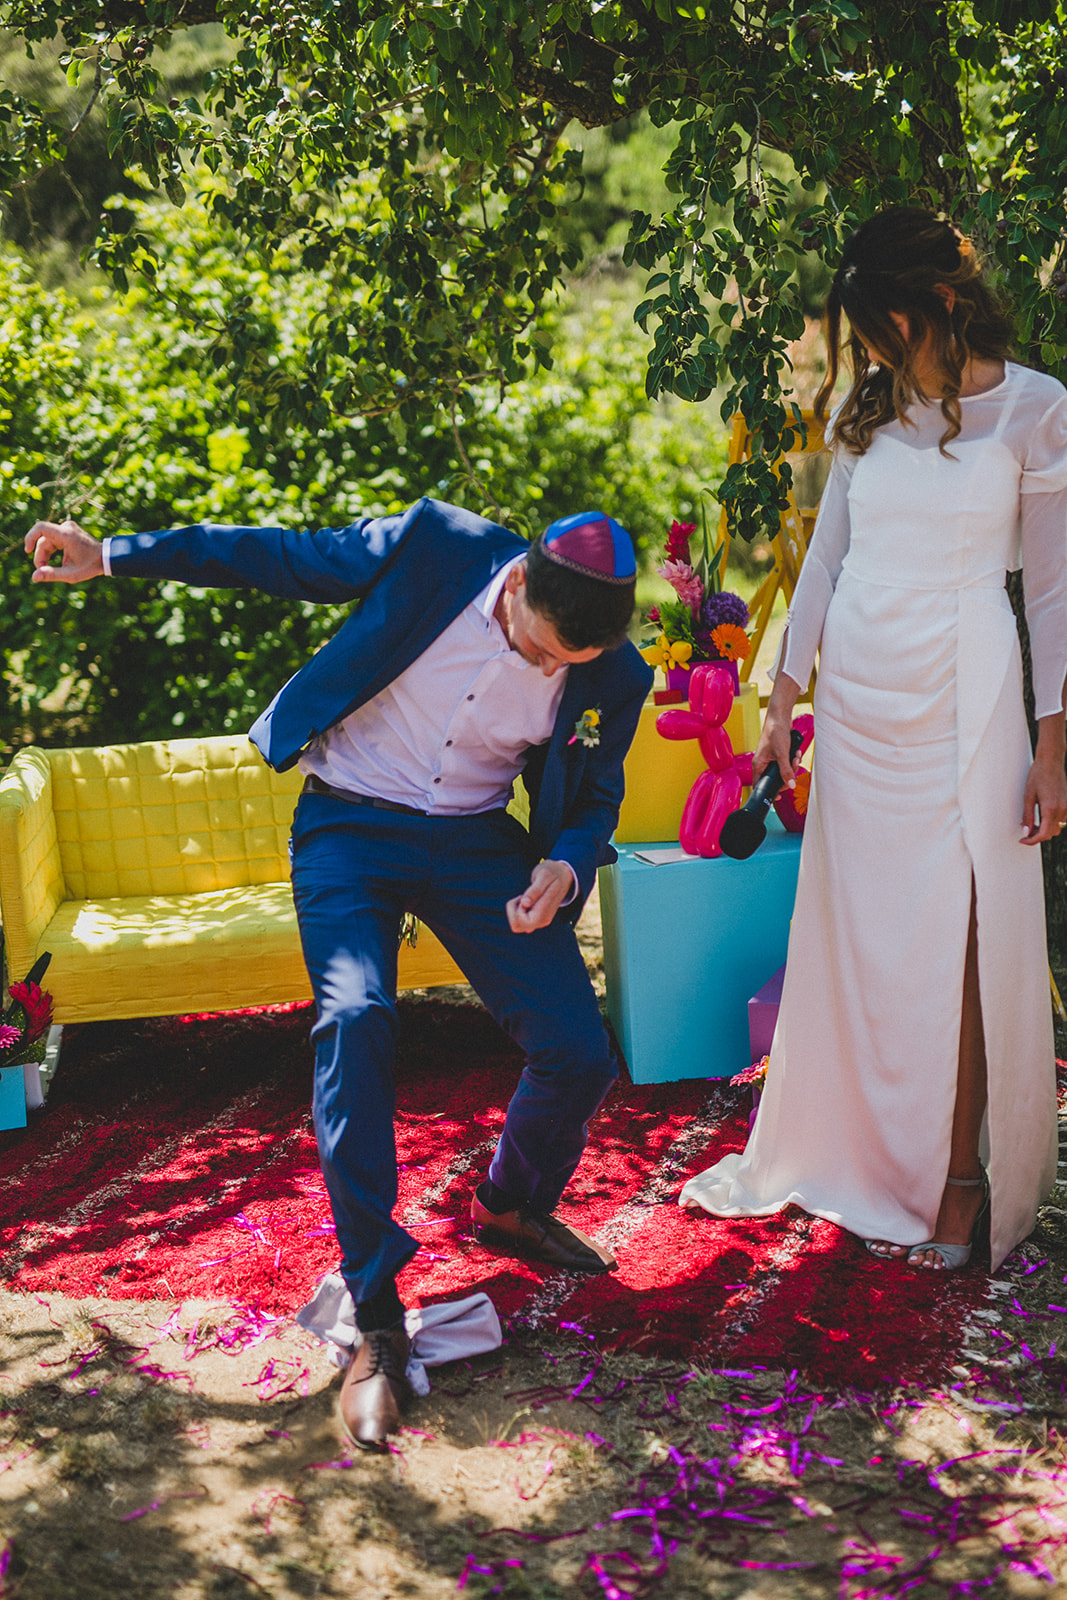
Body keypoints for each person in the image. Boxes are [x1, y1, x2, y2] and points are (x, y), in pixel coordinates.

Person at [26, 499, 653, 1447]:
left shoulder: (613, 667)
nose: (549, 671)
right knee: (354, 1018)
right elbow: (275, 555)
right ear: (516, 582)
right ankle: (374, 1314)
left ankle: (510, 1204)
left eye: (569, 664)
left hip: (478, 843)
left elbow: (594, 792)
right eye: (540, 650)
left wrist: (564, 860)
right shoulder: (436, 547)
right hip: (349, 824)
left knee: (576, 1048)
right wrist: (111, 555)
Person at [679, 207, 1067, 1277]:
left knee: (967, 926)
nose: (877, 347)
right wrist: (779, 691)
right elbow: (823, 563)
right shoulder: (869, 411)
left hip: (965, 682)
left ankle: (958, 1178)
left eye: (884, 321)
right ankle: (857, 1154)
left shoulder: (1035, 410)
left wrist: (1051, 744)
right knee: (864, 928)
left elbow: (1049, 590)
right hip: (858, 687)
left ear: (940, 296)